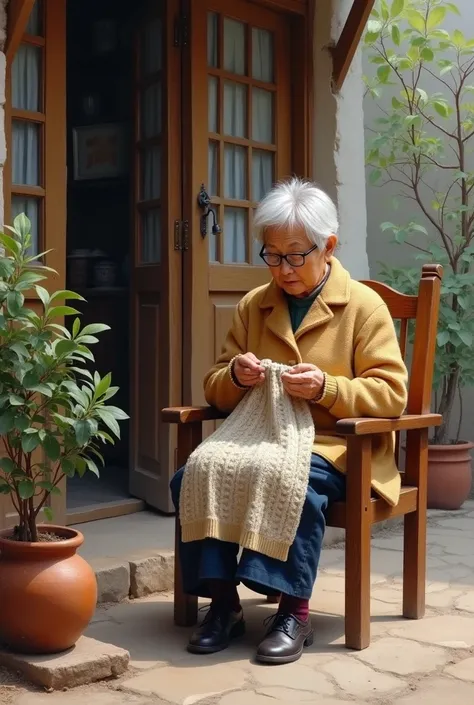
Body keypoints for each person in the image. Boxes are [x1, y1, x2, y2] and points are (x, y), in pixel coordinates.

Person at [170, 177, 408, 664]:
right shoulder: (254, 305)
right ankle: (224, 604)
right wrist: (236, 375)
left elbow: (391, 395)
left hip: (338, 446)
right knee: (195, 472)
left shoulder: (364, 307)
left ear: (329, 247)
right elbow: (214, 387)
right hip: (260, 436)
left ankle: (293, 612)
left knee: (291, 481)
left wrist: (328, 388)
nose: (283, 269)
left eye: (295, 255)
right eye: (272, 255)